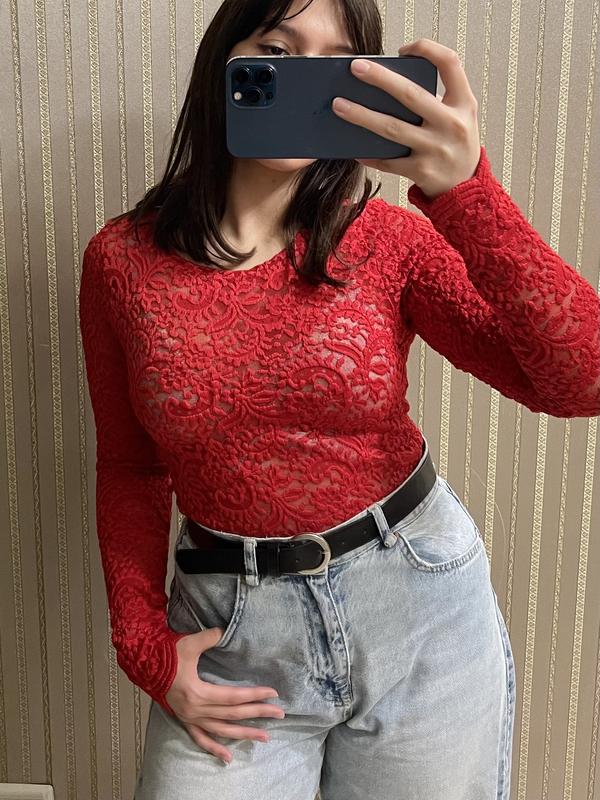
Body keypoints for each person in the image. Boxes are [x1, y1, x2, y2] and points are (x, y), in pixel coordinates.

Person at [78, 0, 600, 797]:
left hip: (420, 613)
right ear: (225, 65)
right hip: (234, 638)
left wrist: (468, 194)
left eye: (333, 64)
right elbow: (130, 467)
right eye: (277, 49)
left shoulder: (390, 242)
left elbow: (580, 380)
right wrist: (145, 647)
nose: (303, 82)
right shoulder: (121, 262)